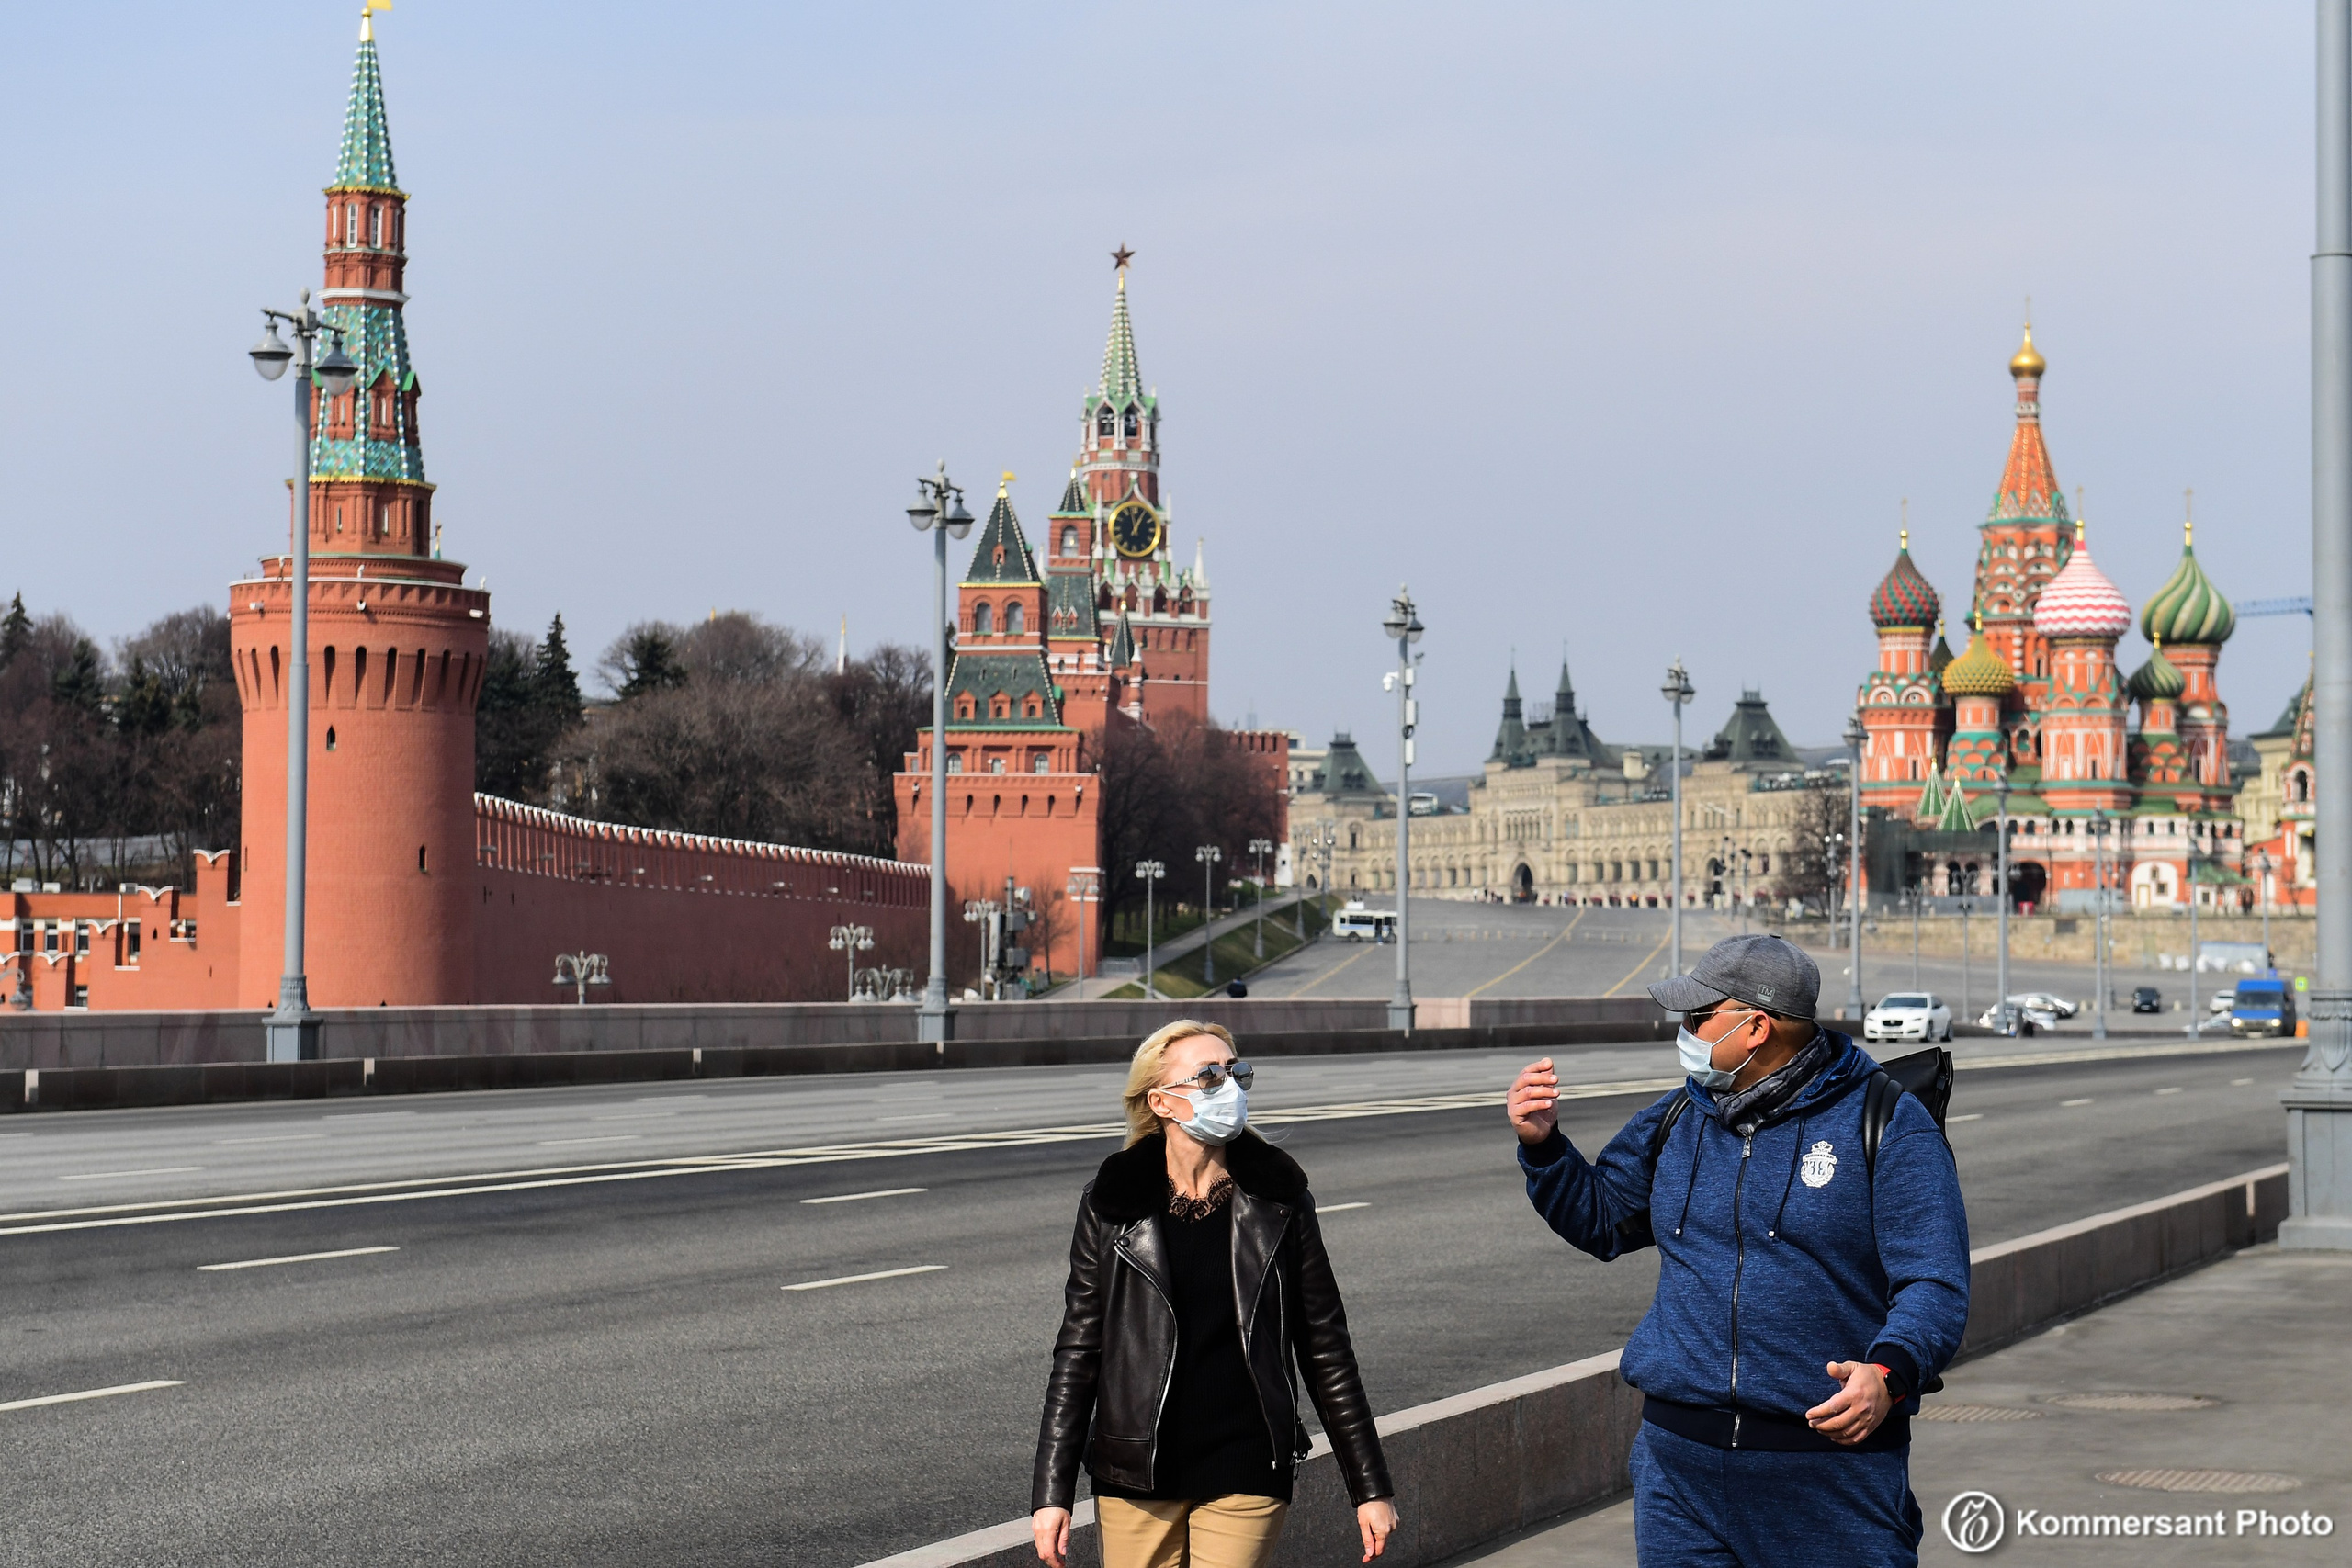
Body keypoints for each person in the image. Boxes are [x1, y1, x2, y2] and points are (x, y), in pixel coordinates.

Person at [1506, 933, 1969, 1567]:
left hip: (1827, 1480)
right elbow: (1604, 1220)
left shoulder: (1887, 1122)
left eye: (1700, 1016)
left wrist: (1889, 1373)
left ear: (1754, 1027)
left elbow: (1934, 1282)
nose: (1686, 1029)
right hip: (1678, 1473)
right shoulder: (1676, 1119)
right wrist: (1544, 1148)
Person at [1032, 1020, 1398, 1568]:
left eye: (1235, 1072)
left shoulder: (1280, 1199)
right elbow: (1080, 1348)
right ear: (1161, 1101)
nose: (1228, 1087)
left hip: (1247, 1462)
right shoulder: (1111, 1205)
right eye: (1208, 1076)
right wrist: (1051, 1493)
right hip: (1135, 1467)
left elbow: (1325, 1346)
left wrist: (1370, 1485)